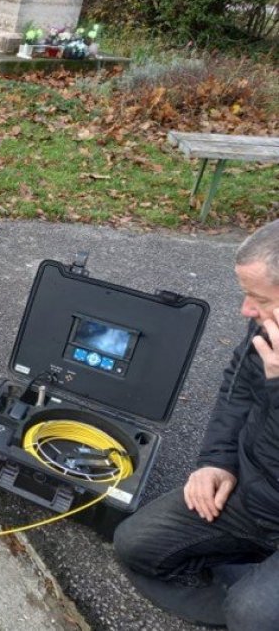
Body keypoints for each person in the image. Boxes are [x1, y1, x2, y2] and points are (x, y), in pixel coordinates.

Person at [114, 219, 279, 629]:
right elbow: (237, 389)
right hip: (255, 497)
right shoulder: (267, 326)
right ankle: (247, 599)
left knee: (253, 613)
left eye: (258, 298)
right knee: (136, 544)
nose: (246, 310)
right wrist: (217, 461)